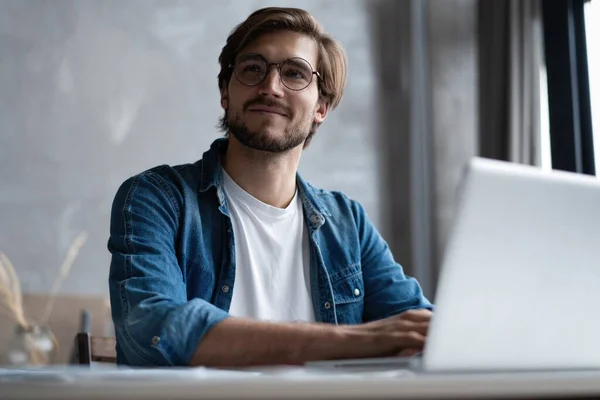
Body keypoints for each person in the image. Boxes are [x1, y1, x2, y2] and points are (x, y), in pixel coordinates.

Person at [108, 6, 433, 368]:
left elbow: (423, 332)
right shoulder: (158, 198)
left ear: (321, 107)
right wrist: (354, 340)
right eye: (252, 69)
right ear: (225, 93)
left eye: (294, 73)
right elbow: (152, 330)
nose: (270, 87)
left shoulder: (347, 223)